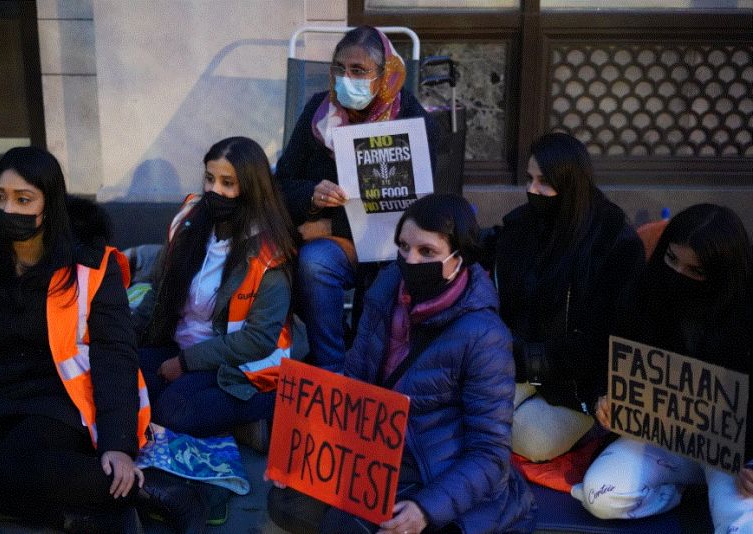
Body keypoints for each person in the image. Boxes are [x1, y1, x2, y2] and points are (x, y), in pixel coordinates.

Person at [0, 146, 208, 533]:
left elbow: (115, 356)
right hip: (0, 393)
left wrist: (118, 445)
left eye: (23, 200)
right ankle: (85, 517)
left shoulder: (89, 265)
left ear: (50, 203)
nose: (9, 210)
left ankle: (153, 490)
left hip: (66, 397)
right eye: (0, 198)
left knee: (16, 463)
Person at [268, 194, 537, 534]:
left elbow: (489, 454)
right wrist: (301, 453)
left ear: (459, 260)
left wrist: (425, 509)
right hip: (377, 449)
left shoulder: (485, 336)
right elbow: (354, 382)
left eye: (427, 252)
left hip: (432, 465)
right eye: (403, 247)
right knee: (287, 502)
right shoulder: (386, 289)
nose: (410, 260)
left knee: (343, 526)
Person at [573, 204, 753, 533]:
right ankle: (682, 495)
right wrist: (606, 398)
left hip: (732, 455)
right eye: (672, 260)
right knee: (599, 495)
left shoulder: (744, 315)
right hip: (660, 440)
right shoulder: (643, 293)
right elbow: (607, 360)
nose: (678, 275)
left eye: (695, 271)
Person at [275, 25, 437, 372]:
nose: (346, 79)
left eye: (358, 71)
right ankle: (332, 368)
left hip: (394, 245)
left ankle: (369, 368)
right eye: (339, 69)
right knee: (314, 263)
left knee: (389, 276)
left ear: (385, 75)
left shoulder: (413, 121)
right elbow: (282, 183)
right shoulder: (317, 115)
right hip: (340, 246)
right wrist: (312, 195)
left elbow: (417, 207)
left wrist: (329, 224)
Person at [481, 132, 645, 462]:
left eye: (544, 181)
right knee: (471, 413)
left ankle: (590, 430)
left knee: (527, 439)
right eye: (530, 179)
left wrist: (603, 391)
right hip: (516, 361)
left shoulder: (613, 242)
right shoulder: (525, 225)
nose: (532, 190)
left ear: (569, 182)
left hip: (577, 382)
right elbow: (491, 253)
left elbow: (612, 335)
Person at [134, 136, 307, 437]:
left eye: (228, 183)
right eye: (210, 179)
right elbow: (158, 292)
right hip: (178, 345)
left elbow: (259, 339)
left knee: (174, 408)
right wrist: (124, 336)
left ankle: (262, 410)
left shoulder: (271, 252)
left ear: (251, 189)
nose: (215, 190)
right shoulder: (188, 220)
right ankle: (233, 422)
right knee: (121, 380)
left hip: (241, 365)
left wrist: (185, 363)